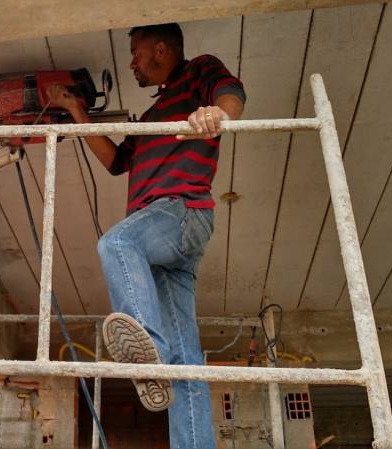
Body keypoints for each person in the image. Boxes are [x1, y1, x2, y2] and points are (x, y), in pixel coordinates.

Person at [47, 23, 245, 448]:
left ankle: (145, 351)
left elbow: (230, 93)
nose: (132, 63)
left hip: (180, 211)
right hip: (166, 241)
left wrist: (218, 115)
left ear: (160, 49)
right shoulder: (154, 118)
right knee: (185, 361)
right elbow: (117, 162)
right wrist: (76, 111)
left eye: (136, 53)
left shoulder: (197, 74)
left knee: (118, 244)